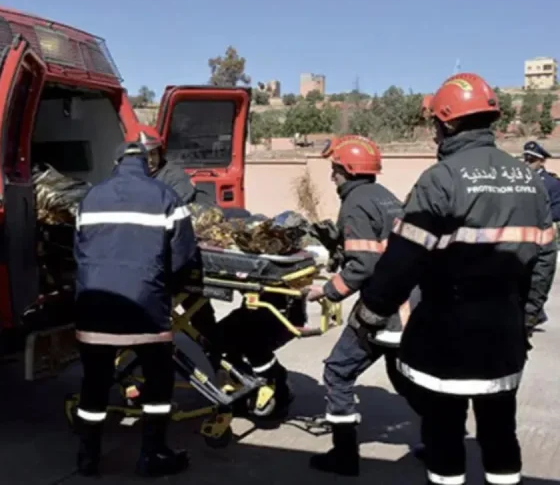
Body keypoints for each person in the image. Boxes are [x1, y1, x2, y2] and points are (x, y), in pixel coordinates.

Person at [354, 73, 557, 485]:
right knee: (501, 431)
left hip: (446, 333)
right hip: (503, 330)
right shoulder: (529, 180)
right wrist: (527, 315)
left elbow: (402, 260)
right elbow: (546, 257)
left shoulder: (440, 179)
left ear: (445, 123)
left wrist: (370, 312)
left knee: (444, 434)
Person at [133, 125, 291, 418]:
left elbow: (170, 219)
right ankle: (222, 362)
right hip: (175, 267)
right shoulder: (140, 179)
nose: (150, 159)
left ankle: (232, 369)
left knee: (200, 326)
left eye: (153, 153)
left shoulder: (173, 179)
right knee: (199, 325)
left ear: (160, 152)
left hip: (180, 263)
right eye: (145, 154)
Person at [72, 140, 200, 478]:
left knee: (95, 382)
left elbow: (79, 250)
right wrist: (161, 284)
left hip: (94, 305)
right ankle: (152, 455)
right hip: (145, 307)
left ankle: (88, 457)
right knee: (158, 381)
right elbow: (184, 255)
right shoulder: (165, 197)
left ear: (116, 163)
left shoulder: (90, 198)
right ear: (147, 164)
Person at [304, 135, 421, 477]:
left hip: (384, 310)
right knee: (404, 378)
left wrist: (327, 290)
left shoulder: (355, 203)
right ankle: (443, 438)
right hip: (409, 306)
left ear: (347, 169)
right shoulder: (386, 198)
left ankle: (343, 456)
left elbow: (364, 265)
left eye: (335, 168)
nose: (332, 176)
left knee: (338, 371)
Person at [522, 141, 560, 328]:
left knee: (537, 273)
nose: (527, 162)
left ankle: (535, 312)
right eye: (526, 158)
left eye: (532, 159)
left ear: (541, 161)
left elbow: (558, 209)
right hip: (520, 233)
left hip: (541, 233)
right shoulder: (517, 179)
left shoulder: (552, 183)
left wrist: (541, 217)